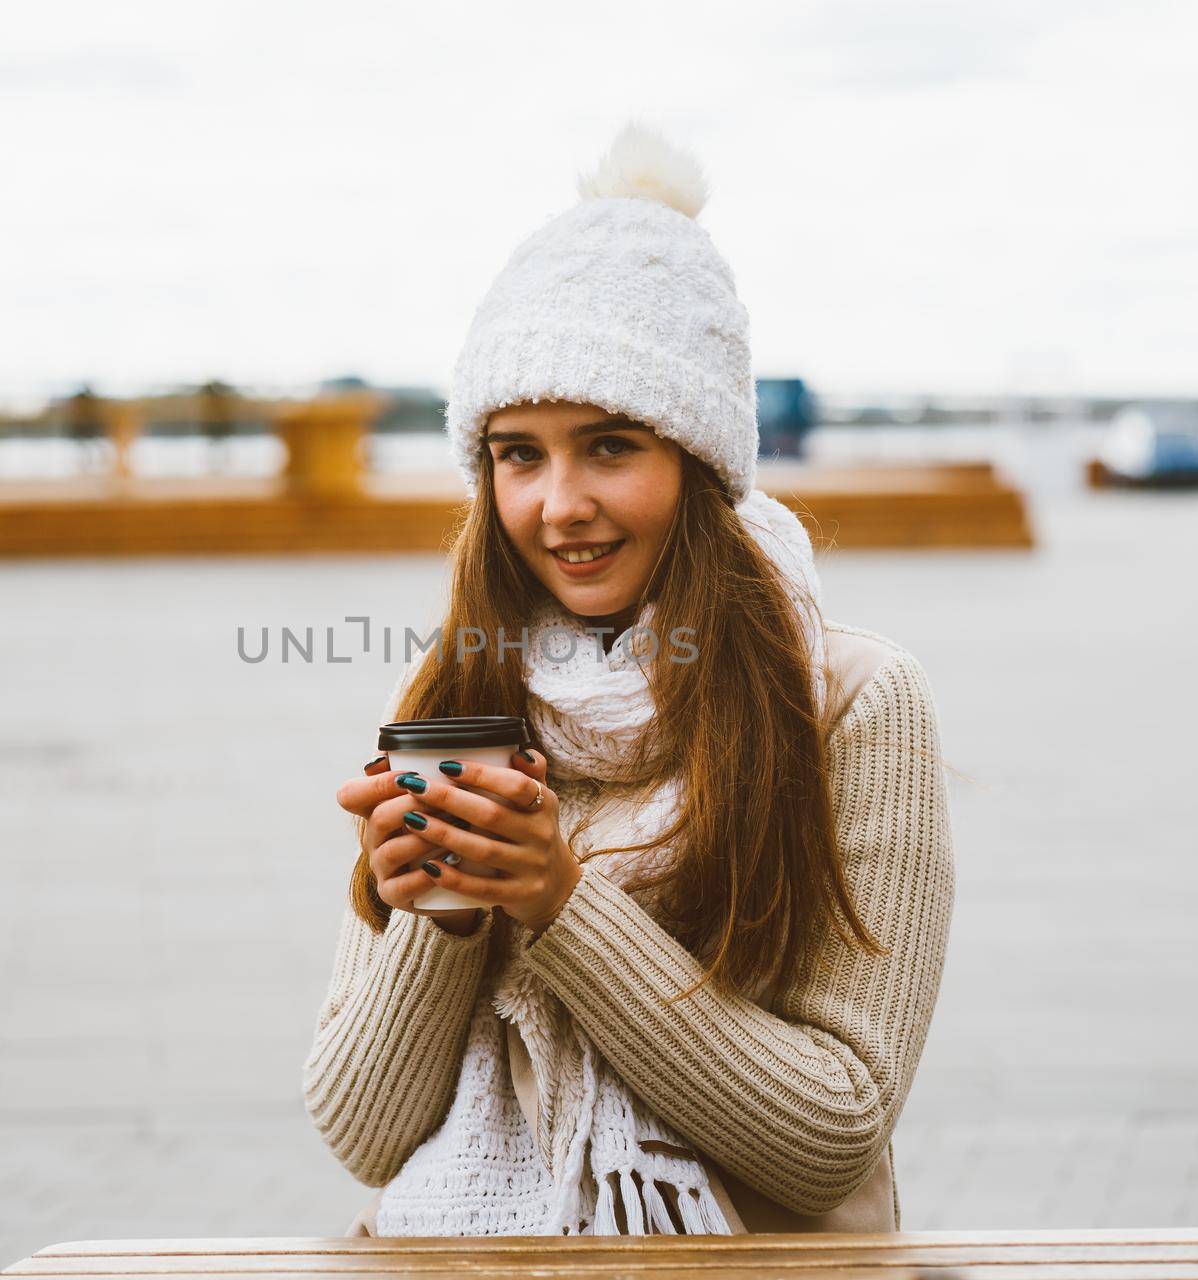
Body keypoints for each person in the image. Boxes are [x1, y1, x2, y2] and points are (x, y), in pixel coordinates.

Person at [300, 120, 956, 1238]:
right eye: (518, 452)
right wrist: (443, 911)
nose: (558, 503)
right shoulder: (459, 692)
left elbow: (832, 1134)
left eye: (610, 445)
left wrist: (557, 898)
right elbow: (363, 1132)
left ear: (698, 464)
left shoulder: (852, 699)